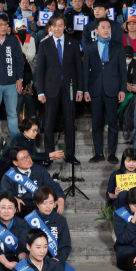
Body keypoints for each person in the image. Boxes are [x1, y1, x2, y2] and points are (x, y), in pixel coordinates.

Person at [36, 14, 83, 165]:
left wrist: (80, 90)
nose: (57, 29)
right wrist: (40, 91)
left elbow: (78, 68)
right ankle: (49, 156)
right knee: (49, 124)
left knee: (70, 123)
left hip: (69, 89)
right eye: (54, 26)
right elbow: (40, 70)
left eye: (60, 25)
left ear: (65, 27)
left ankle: (70, 155)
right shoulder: (44, 44)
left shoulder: (73, 43)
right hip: (50, 89)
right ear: (50, 28)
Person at [83, 17, 127, 164]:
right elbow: (85, 71)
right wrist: (85, 90)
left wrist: (122, 89)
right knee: (96, 123)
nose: (107, 30)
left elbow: (123, 70)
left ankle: (112, 153)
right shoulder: (89, 46)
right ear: (96, 30)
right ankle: (99, 153)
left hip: (113, 88)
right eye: (103, 27)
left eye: (108, 27)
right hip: (94, 89)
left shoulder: (118, 46)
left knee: (113, 123)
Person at [0, 145, 66, 217]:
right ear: (15, 163)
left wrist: (60, 198)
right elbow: (4, 193)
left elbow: (53, 185)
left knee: (53, 205)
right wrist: (12, 199)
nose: (28, 160)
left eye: (28, 156)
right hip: (22, 207)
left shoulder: (40, 170)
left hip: (39, 203)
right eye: (23, 158)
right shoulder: (9, 175)